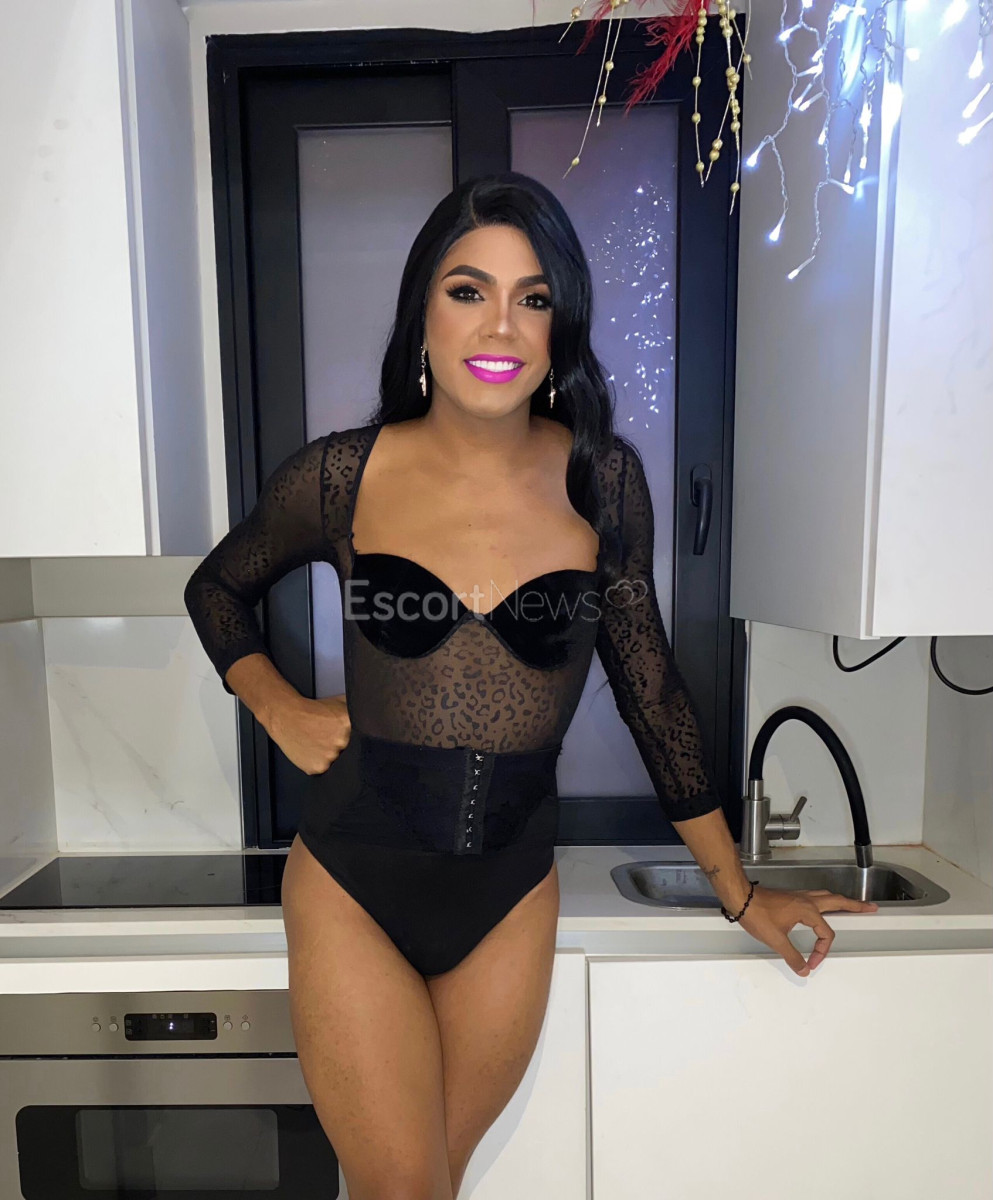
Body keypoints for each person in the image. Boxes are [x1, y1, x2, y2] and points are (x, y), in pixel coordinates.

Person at [184, 172, 877, 1200]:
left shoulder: (602, 481)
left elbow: (651, 692)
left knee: (426, 1185)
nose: (499, 323)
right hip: (351, 881)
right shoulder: (343, 475)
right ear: (423, 312)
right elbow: (216, 589)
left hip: (508, 894)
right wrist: (275, 703)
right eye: (468, 291)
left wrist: (738, 893)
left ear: (561, 327)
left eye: (533, 297)